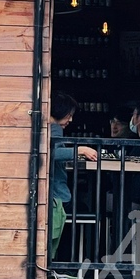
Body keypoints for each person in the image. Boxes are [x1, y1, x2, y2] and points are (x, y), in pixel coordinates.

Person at [50, 92, 97, 260]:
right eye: (69, 115)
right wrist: (80, 150)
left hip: (54, 194)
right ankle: (70, 263)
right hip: (58, 196)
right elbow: (52, 152)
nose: (70, 120)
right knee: (83, 211)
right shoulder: (53, 127)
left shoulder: (47, 128)